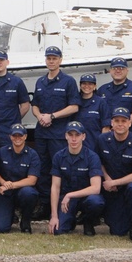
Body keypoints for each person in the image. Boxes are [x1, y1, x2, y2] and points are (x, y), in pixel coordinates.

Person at [31, 46, 80, 202]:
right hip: (41, 134)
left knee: (60, 168)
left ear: (60, 60)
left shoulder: (68, 81)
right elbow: (35, 105)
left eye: (54, 58)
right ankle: (45, 204)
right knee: (43, 168)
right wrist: (39, 116)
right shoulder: (40, 81)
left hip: (58, 134)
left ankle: (62, 203)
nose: (51, 61)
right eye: (49, 58)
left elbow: (74, 106)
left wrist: (52, 116)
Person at [96, 107, 132, 242]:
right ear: (111, 123)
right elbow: (98, 163)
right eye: (117, 120)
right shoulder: (102, 139)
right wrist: (107, 179)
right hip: (110, 189)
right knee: (117, 231)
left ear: (129, 123)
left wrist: (114, 182)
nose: (120, 124)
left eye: (123, 121)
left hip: (128, 188)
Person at [48, 121, 104, 236]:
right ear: (66, 136)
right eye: (71, 135)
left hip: (86, 198)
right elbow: (55, 187)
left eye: (77, 135)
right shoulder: (58, 156)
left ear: (83, 136)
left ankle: (88, 221)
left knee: (96, 202)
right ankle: (70, 220)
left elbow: (96, 188)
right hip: (67, 201)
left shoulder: (92, 157)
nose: (74, 139)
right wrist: (54, 216)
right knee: (57, 231)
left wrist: (70, 195)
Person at [0, 123, 41, 234]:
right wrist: (3, 182)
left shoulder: (32, 155)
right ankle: (10, 215)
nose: (17, 138)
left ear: (25, 136)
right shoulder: (2, 152)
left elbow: (32, 180)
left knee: (29, 193)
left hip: (21, 191)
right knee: (0, 228)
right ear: (10, 137)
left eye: (20, 136)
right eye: (14, 136)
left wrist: (11, 185)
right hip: (4, 193)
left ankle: (26, 220)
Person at [97, 57, 132, 136]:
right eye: (115, 68)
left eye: (121, 68)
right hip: (108, 137)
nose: (118, 70)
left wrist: (120, 127)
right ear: (110, 70)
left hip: (130, 136)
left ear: (127, 71)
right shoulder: (102, 90)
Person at [76, 74, 109, 152]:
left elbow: (106, 127)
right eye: (84, 83)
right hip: (76, 145)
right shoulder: (75, 101)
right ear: (80, 85)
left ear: (95, 86)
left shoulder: (101, 102)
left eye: (90, 83)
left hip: (95, 145)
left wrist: (102, 145)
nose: (87, 86)